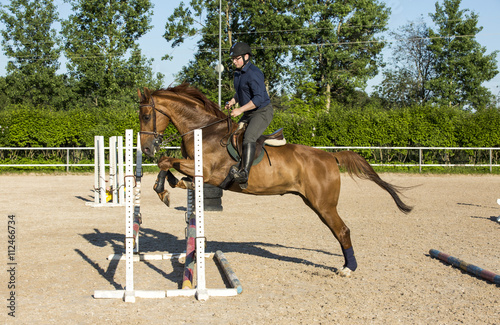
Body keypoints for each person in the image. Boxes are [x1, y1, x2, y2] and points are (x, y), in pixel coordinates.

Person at [224, 42, 274, 187]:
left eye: (237, 58)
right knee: (233, 134)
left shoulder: (254, 73)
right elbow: (241, 92)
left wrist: (240, 110)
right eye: (233, 59)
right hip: (249, 111)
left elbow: (258, 99)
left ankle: (245, 172)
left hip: (262, 112)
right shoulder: (238, 74)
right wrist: (232, 101)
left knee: (249, 137)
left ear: (246, 57)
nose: (234, 61)